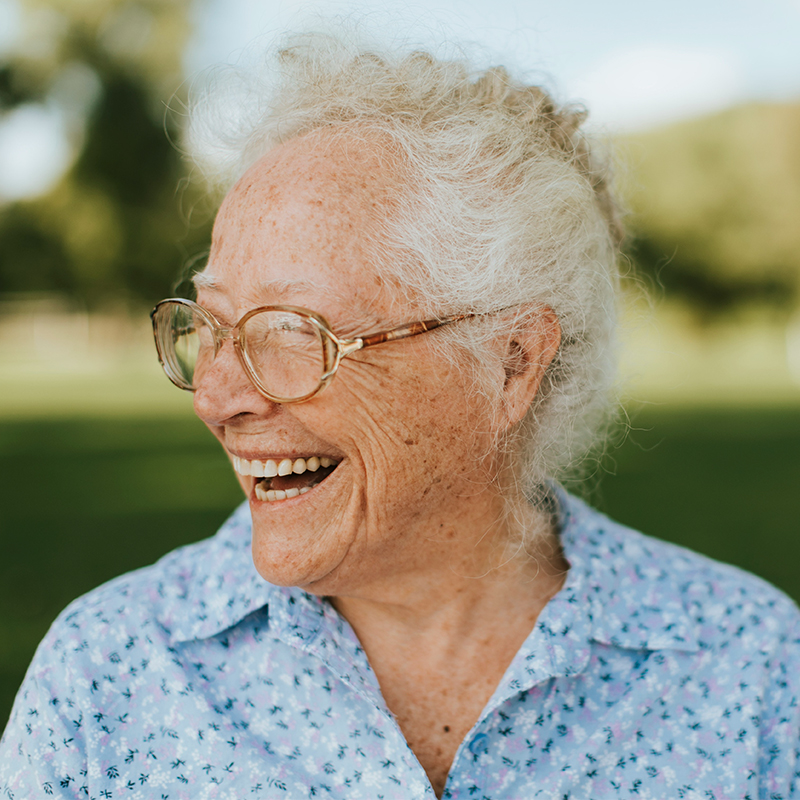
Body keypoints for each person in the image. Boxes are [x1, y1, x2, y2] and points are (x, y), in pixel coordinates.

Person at [2, 25, 799, 800]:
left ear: (511, 364)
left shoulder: (753, 671)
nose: (215, 397)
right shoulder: (107, 674)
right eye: (209, 326)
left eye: (292, 333)